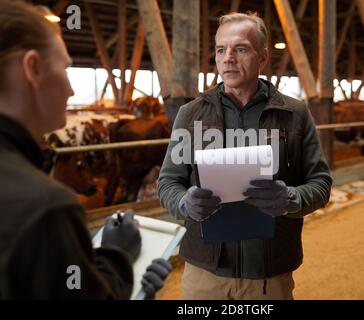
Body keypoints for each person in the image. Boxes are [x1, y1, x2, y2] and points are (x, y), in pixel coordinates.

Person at [0, 0, 171, 299]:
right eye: (65, 67)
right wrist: (116, 254)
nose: (71, 89)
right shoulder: (46, 208)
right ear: (33, 68)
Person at [157, 12, 332, 300]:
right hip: (204, 275)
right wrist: (184, 203)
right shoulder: (190, 115)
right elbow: (168, 183)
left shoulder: (294, 114)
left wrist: (291, 198)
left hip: (268, 274)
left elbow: (321, 183)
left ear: (262, 58)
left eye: (240, 49)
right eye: (220, 50)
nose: (228, 58)